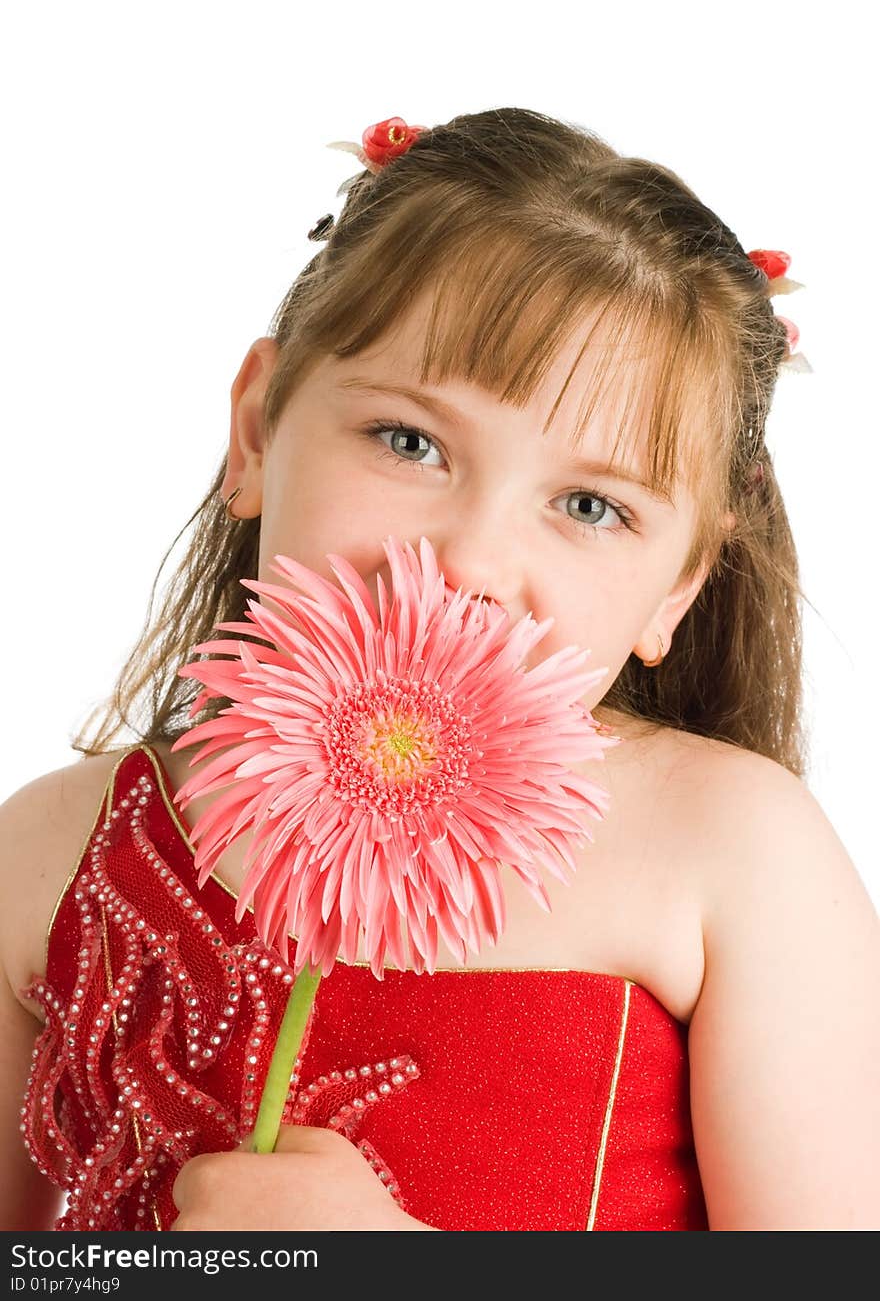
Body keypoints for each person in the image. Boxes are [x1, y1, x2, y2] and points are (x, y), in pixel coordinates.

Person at [2, 107, 878, 1233]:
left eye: (590, 505)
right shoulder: (53, 850)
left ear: (676, 588)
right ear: (258, 432)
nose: (469, 560)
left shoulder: (728, 850)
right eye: (409, 442)